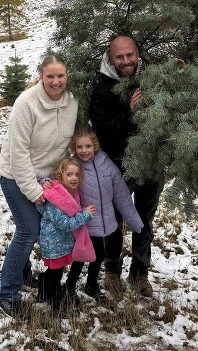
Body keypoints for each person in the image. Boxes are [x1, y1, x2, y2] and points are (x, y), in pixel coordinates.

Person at [0, 54, 81, 318]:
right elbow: (17, 151)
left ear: (67, 75)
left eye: (61, 75)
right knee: (28, 230)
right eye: (50, 76)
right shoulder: (26, 103)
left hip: (47, 180)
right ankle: (6, 294)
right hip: (15, 176)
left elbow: (65, 144)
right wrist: (33, 190)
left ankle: (20, 272)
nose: (56, 81)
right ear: (41, 77)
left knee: (39, 229)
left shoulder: (72, 103)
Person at [89, 36, 164, 297]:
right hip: (118, 167)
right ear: (111, 59)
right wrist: (128, 111)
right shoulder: (102, 91)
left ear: (137, 54)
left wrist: (175, 72)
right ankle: (112, 270)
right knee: (114, 219)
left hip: (151, 164)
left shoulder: (149, 80)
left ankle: (140, 272)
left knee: (144, 219)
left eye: (130, 55)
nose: (126, 61)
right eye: (119, 57)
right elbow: (102, 132)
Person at [65, 127, 144, 301]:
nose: (84, 151)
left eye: (88, 146)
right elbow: (60, 184)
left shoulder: (107, 165)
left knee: (98, 254)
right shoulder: (73, 166)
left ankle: (91, 285)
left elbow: (122, 195)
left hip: (104, 221)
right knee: (80, 256)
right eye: (79, 147)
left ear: (95, 146)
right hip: (84, 221)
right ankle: (70, 287)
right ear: (74, 148)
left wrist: (135, 222)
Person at [36, 157, 96, 311]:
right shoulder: (56, 198)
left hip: (60, 243)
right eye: (69, 175)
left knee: (55, 270)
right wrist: (85, 215)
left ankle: (42, 291)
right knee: (56, 274)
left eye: (76, 174)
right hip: (54, 243)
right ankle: (56, 302)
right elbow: (64, 224)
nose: (74, 178)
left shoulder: (69, 193)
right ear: (60, 176)